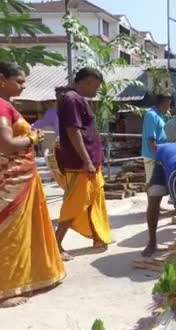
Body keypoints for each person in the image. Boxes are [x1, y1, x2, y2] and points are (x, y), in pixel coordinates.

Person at [0, 61, 65, 308]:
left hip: (22, 178)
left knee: (24, 231)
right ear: (1, 79)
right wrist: (32, 137)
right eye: (19, 81)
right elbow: (5, 144)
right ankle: (5, 290)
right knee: (10, 234)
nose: (24, 86)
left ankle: (29, 277)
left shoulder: (7, 106)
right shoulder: (1, 107)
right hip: (11, 182)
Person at [54, 67, 112, 260]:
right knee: (75, 203)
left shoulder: (79, 100)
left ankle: (97, 236)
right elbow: (73, 131)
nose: (95, 91)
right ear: (87, 82)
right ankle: (56, 244)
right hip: (79, 164)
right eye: (95, 86)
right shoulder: (72, 99)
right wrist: (87, 160)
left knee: (94, 199)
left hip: (90, 162)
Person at [142, 94, 170, 182]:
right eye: (169, 104)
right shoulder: (151, 115)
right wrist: (157, 155)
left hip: (159, 154)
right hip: (152, 155)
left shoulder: (160, 115)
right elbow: (151, 138)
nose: (169, 107)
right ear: (164, 103)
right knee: (152, 183)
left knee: (159, 184)